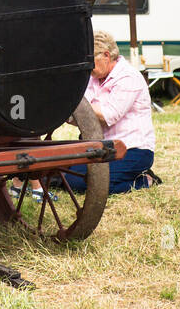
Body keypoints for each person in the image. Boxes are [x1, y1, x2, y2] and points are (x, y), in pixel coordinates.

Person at [63, 30, 157, 194]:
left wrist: (72, 104)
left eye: (91, 61)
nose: (88, 66)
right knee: (68, 178)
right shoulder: (93, 77)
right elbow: (80, 117)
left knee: (89, 185)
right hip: (102, 147)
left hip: (133, 150)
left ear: (106, 55)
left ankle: (145, 181)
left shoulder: (128, 77)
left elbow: (108, 115)